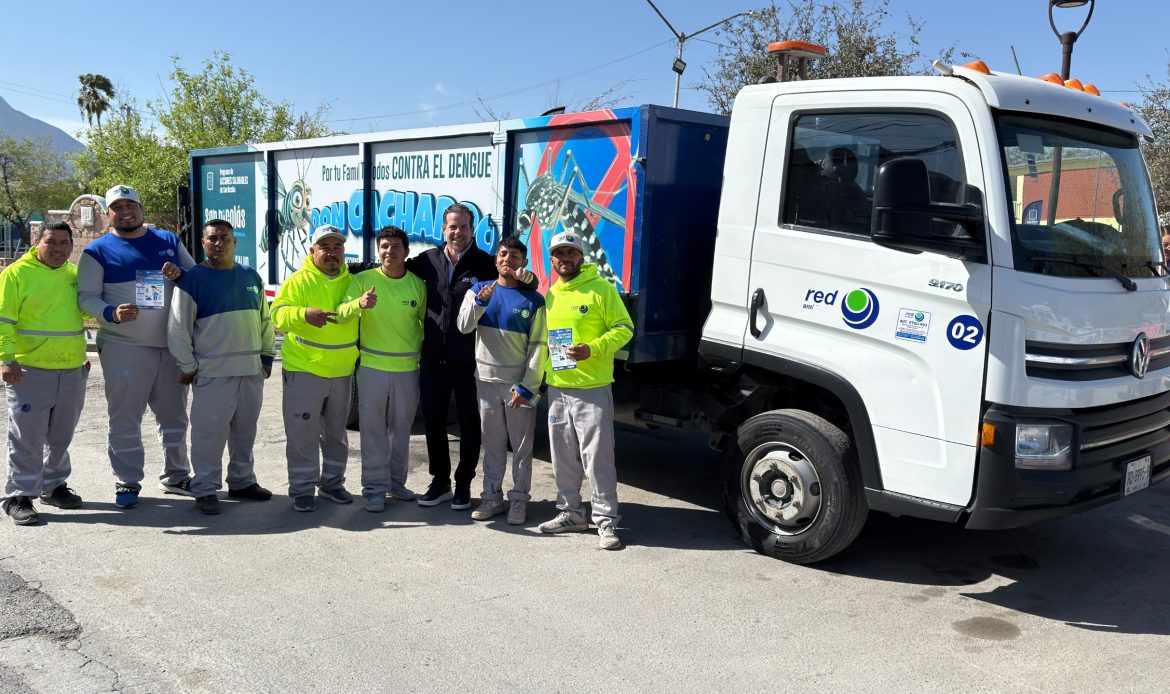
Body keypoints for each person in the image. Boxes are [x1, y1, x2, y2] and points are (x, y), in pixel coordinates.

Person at [77, 185, 195, 509]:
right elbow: (86, 296)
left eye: (131, 205)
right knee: (126, 417)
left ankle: (177, 476)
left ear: (141, 209)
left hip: (171, 346)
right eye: (117, 207)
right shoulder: (97, 252)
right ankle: (127, 481)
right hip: (124, 347)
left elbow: (196, 279)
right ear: (108, 213)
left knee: (174, 416)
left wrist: (180, 273)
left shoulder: (168, 242)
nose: (125, 211)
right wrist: (110, 313)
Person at [168, 219, 276, 515]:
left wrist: (266, 359)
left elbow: (265, 321)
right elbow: (178, 329)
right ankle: (204, 488)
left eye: (225, 238)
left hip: (250, 372)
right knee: (209, 435)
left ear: (235, 242)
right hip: (213, 374)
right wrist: (189, 366)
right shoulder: (193, 280)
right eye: (212, 238)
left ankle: (242, 481)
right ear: (202, 243)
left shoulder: (251, 276)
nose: (219, 243)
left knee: (245, 432)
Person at [537, 231, 633, 550]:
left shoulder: (601, 289)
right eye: (558, 254)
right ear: (552, 260)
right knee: (563, 457)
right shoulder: (551, 294)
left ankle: (606, 522)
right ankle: (571, 513)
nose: (565, 259)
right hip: (558, 388)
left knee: (597, 458)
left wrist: (593, 349)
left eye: (571, 253)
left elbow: (624, 328)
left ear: (581, 256)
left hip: (592, 388)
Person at [405, 203, 499, 510]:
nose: (458, 232)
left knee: (470, 423)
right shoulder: (427, 260)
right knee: (433, 420)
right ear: (443, 230)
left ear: (473, 230)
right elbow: (390, 269)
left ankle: (464, 484)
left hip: (469, 359)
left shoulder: (485, 264)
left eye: (464, 226)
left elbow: (512, 284)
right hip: (432, 357)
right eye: (452, 226)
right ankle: (440, 481)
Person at [271, 224, 368, 512]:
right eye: (324, 247)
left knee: (336, 434)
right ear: (312, 250)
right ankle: (301, 488)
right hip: (305, 370)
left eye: (337, 247)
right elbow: (276, 316)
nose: (332, 253)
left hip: (341, 372)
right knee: (303, 434)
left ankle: (332, 483)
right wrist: (304, 314)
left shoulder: (352, 282)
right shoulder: (298, 282)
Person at [0, 222, 87, 525]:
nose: (58, 249)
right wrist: (6, 359)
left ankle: (54, 486)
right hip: (29, 371)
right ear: (37, 241)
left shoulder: (74, 276)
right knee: (28, 436)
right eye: (51, 242)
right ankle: (19, 495)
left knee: (61, 435)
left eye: (65, 243)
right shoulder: (15, 274)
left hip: (71, 368)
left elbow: (87, 312)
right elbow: (3, 320)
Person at [456, 236, 547, 525]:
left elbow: (538, 346)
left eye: (515, 256)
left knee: (521, 447)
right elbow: (463, 326)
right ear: (496, 260)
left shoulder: (534, 300)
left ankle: (519, 500)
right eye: (503, 254)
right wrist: (479, 304)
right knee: (493, 444)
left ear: (524, 263)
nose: (508, 259)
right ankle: (491, 498)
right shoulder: (479, 289)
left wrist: (528, 387)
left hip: (517, 386)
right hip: (485, 381)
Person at [346, 226, 426, 513]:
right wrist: (359, 303)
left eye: (395, 247)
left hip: (407, 369)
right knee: (372, 430)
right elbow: (343, 310)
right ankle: (374, 489)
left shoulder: (417, 284)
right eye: (384, 247)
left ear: (406, 252)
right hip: (372, 368)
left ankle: (396, 483)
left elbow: (425, 325)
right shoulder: (364, 281)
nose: (389, 251)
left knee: (401, 430)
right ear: (378, 251)